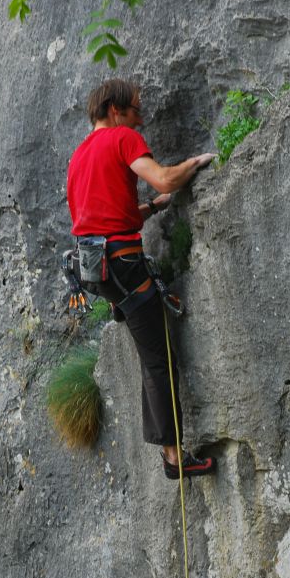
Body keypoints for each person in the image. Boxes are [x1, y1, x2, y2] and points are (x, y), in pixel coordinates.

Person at [67, 78, 217, 479]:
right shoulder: (122, 139)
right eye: (136, 110)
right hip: (124, 265)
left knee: (151, 350)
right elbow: (165, 177)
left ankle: (169, 449)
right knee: (158, 360)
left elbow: (104, 217)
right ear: (115, 111)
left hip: (97, 270)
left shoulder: (79, 156)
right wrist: (195, 164)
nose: (141, 118)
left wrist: (150, 208)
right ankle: (173, 458)